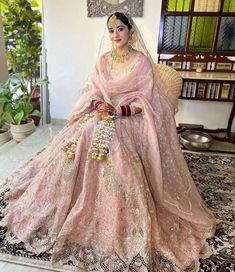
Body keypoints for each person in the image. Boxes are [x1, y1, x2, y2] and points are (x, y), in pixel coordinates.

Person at [1, 12, 216, 272]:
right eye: (111, 29)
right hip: (103, 112)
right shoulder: (103, 61)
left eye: (120, 29)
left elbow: (144, 102)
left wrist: (119, 112)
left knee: (109, 138)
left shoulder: (141, 64)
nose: (115, 34)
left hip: (130, 117)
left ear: (131, 32)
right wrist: (99, 104)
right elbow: (92, 90)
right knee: (83, 132)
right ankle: (68, 198)